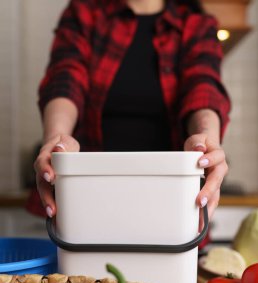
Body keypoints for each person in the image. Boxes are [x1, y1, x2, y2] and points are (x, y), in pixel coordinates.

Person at [27, 0, 231, 231]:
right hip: (88, 205)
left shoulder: (198, 25)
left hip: (171, 209)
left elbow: (203, 87)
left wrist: (206, 139)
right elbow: (65, 79)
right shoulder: (84, 12)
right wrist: (57, 138)